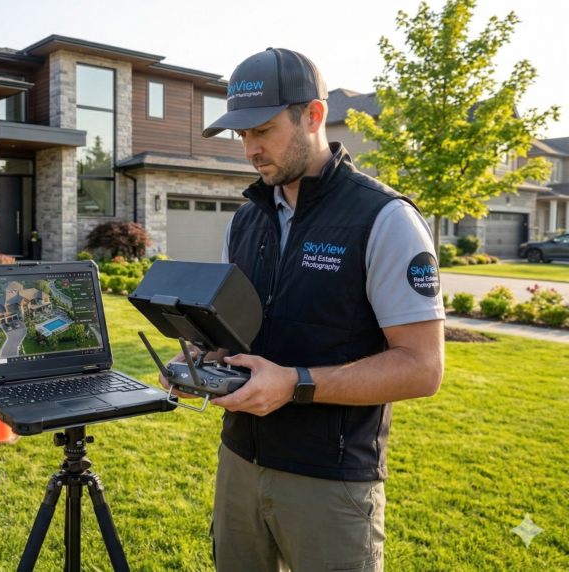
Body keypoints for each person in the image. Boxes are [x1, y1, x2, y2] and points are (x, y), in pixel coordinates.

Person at [160, 48, 446, 572]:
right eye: (241, 136)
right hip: (239, 461)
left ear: (313, 116)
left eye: (262, 130)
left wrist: (295, 383)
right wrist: (205, 360)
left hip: (329, 479)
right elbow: (240, 334)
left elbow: (423, 368)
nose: (249, 149)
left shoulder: (384, 218)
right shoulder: (244, 221)